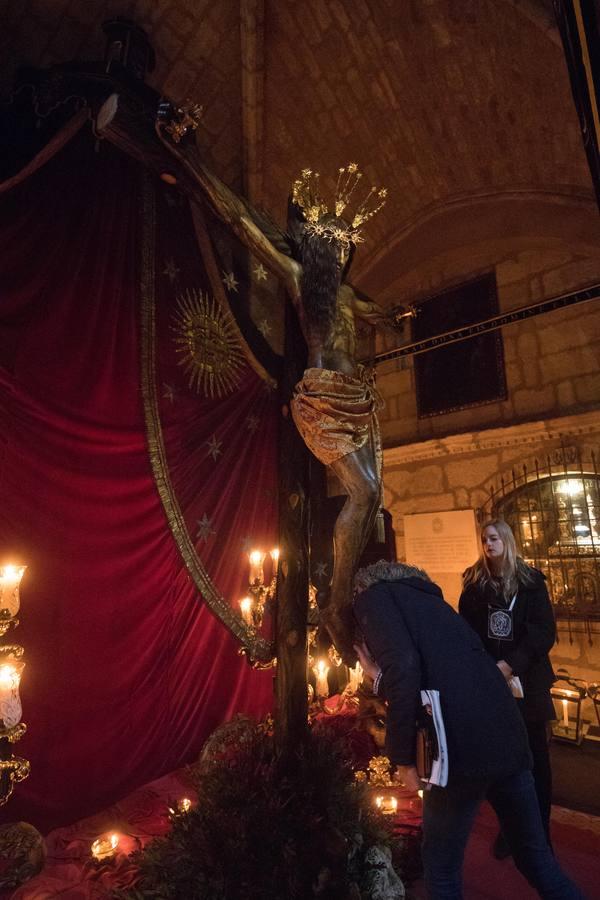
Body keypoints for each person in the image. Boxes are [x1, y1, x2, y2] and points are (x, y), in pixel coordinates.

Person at [155, 107, 409, 663]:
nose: (342, 254)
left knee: (372, 498)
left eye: (348, 248)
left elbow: (382, 315)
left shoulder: (347, 296)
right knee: (364, 493)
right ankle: (338, 603)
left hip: (355, 399)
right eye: (335, 247)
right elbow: (240, 220)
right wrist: (191, 154)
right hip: (321, 396)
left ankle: (346, 594)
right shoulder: (303, 283)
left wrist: (397, 318)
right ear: (320, 249)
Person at [353, 560, 582, 900]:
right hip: (508, 736)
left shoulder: (373, 597)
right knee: (537, 860)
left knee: (441, 869)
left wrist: (402, 759)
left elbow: (403, 668)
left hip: (460, 748)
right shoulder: (432, 602)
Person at [459, 518, 557, 857]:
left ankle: (540, 836)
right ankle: (512, 831)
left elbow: (544, 632)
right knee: (504, 762)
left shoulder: (530, 582)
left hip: (527, 682)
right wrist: (486, 667)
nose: (489, 543)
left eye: (495, 537)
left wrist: (511, 663)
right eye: (484, 539)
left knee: (535, 762)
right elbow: (467, 632)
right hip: (493, 685)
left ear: (508, 541)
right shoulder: (475, 584)